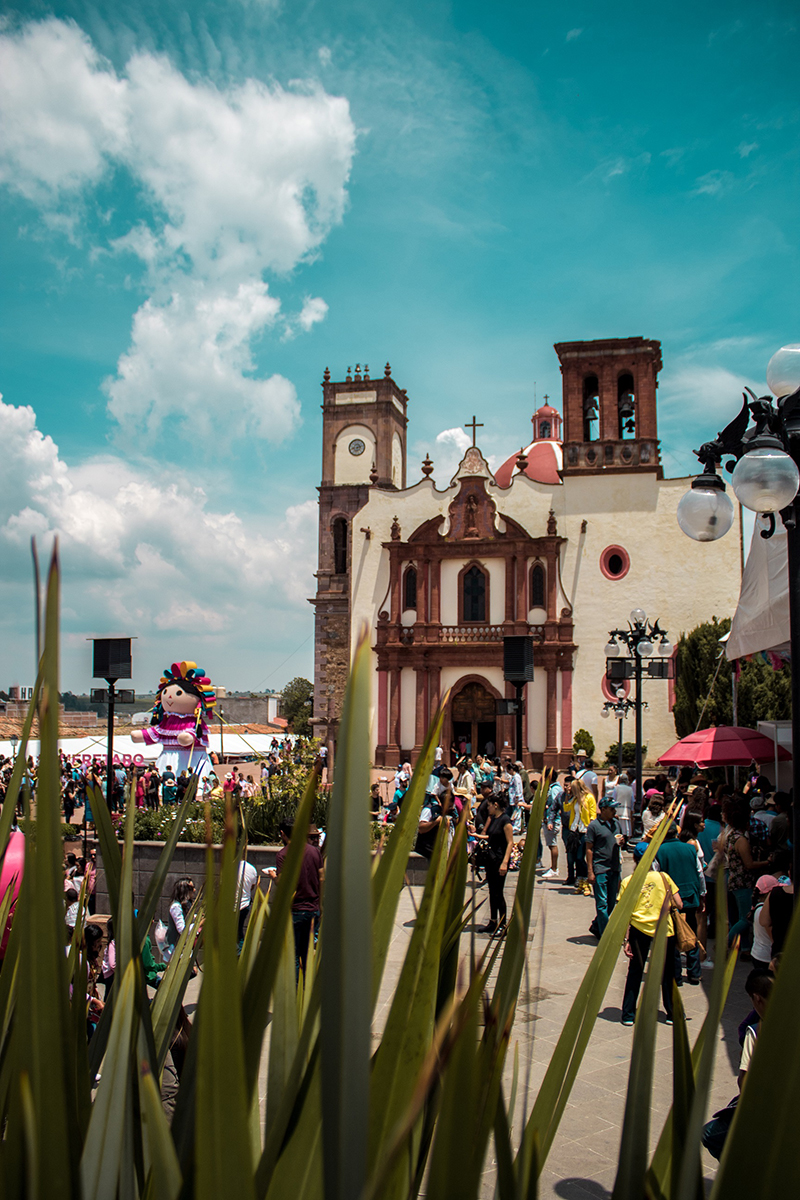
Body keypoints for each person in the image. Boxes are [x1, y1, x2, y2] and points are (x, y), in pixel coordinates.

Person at [702, 970, 774, 1160]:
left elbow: (744, 1081)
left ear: (757, 998)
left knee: (709, 1135)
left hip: (762, 1110)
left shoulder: (756, 1032)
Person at [619, 843, 682, 1026]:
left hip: (639, 929)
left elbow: (624, 913)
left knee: (635, 971)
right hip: (664, 930)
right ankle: (671, 1013)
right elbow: (679, 903)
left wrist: (626, 940)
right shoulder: (664, 877)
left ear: (635, 859)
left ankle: (628, 1014)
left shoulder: (628, 881)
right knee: (668, 972)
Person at [269, 818, 324, 977]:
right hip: (313, 909)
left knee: (293, 953)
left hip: (295, 910)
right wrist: (320, 905)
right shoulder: (314, 852)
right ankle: (306, 983)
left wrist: (273, 876)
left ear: (282, 834)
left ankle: (294, 986)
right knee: (307, 951)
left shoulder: (283, 855)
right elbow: (322, 878)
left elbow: (282, 883)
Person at [654, 821, 704, 985]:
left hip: (671, 902)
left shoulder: (659, 851)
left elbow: (656, 876)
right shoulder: (690, 848)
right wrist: (702, 894)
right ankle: (694, 973)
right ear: (676, 833)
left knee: (673, 937)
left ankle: (676, 976)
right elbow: (700, 873)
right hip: (690, 897)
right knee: (691, 933)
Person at [720, 794, 772, 949]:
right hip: (743, 883)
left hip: (734, 881)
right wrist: (767, 862)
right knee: (746, 918)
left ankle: (743, 947)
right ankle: (726, 942)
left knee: (740, 916)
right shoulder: (741, 840)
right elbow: (749, 864)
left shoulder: (731, 835)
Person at [474, 794, 513, 935]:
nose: (488, 808)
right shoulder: (494, 819)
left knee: (498, 892)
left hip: (499, 860)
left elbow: (510, 842)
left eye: (489, 805)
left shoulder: (505, 820)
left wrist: (505, 862)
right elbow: (492, 837)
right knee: (492, 891)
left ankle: (502, 924)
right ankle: (493, 921)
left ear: (495, 805)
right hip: (491, 860)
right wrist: (477, 836)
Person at [586, 796, 623, 936]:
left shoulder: (616, 824)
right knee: (602, 903)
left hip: (614, 867)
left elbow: (620, 840)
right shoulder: (594, 826)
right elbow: (589, 848)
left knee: (611, 902)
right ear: (603, 810)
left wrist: (622, 842)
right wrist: (590, 871)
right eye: (611, 809)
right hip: (600, 867)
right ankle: (605, 935)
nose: (614, 811)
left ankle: (597, 925)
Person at [563, 778, 596, 894]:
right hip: (575, 830)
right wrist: (567, 796)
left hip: (584, 830)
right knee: (576, 858)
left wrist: (591, 830)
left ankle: (587, 881)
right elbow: (566, 808)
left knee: (580, 857)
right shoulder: (575, 799)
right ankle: (581, 882)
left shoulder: (589, 798)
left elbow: (593, 815)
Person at [165, 878, 195, 961]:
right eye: (191, 888)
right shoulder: (176, 907)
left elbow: (188, 917)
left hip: (184, 948)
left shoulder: (186, 904)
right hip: (175, 950)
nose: (194, 890)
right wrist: (198, 925)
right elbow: (182, 929)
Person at [541, 772, 564, 879]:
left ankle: (554, 868)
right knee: (551, 844)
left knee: (552, 844)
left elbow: (554, 805)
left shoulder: (554, 789)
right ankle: (553, 867)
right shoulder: (553, 788)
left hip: (552, 821)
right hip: (550, 820)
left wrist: (550, 819)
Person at [236, 858, 258, 948]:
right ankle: (241, 951)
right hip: (245, 904)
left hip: (232, 906)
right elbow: (252, 886)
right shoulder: (251, 868)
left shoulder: (230, 866)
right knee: (239, 930)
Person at [614, 772, 634, 845]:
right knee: (626, 829)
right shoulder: (630, 789)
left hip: (618, 811)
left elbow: (614, 799)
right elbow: (632, 801)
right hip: (627, 811)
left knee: (619, 829)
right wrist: (632, 811)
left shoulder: (616, 788)